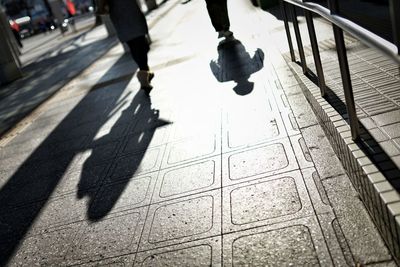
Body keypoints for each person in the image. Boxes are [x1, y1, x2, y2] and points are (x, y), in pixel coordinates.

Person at [108, 0, 154, 93]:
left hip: (120, 16)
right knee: (141, 45)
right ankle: (144, 73)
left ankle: (145, 72)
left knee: (135, 46)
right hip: (129, 12)